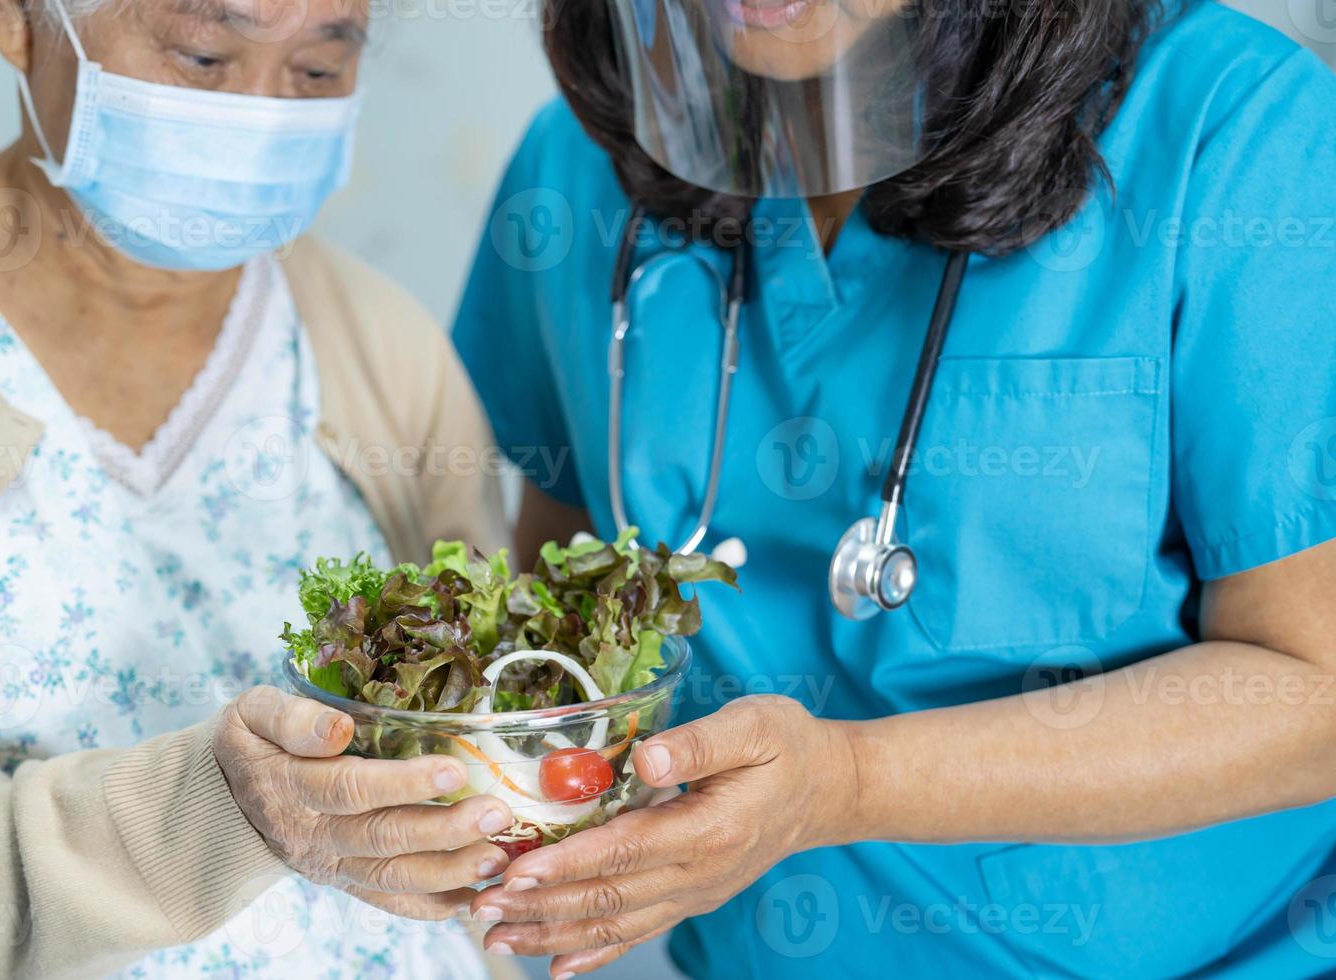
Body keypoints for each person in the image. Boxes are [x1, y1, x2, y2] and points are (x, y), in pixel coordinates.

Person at [452, 0, 1336, 977]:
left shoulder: (1233, 126)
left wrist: (844, 782)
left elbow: (1314, 690)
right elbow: (553, 614)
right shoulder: (580, 167)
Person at [0, 0, 523, 975]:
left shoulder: (386, 350)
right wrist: (217, 810)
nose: (260, 116)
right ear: (16, 19)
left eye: (314, 72)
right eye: (206, 55)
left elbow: (497, 745)